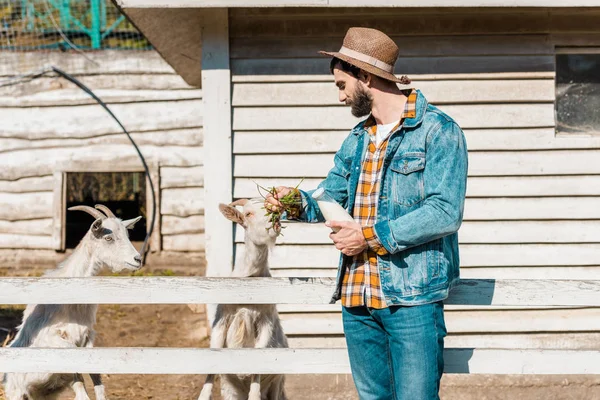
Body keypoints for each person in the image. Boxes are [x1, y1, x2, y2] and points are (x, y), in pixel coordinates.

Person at [265, 27, 468, 400]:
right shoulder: (357, 139)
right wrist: (292, 202)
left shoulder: (438, 131)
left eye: (342, 84)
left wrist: (369, 237)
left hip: (411, 300)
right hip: (357, 299)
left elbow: (444, 212)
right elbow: (329, 197)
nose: (341, 96)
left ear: (366, 77)